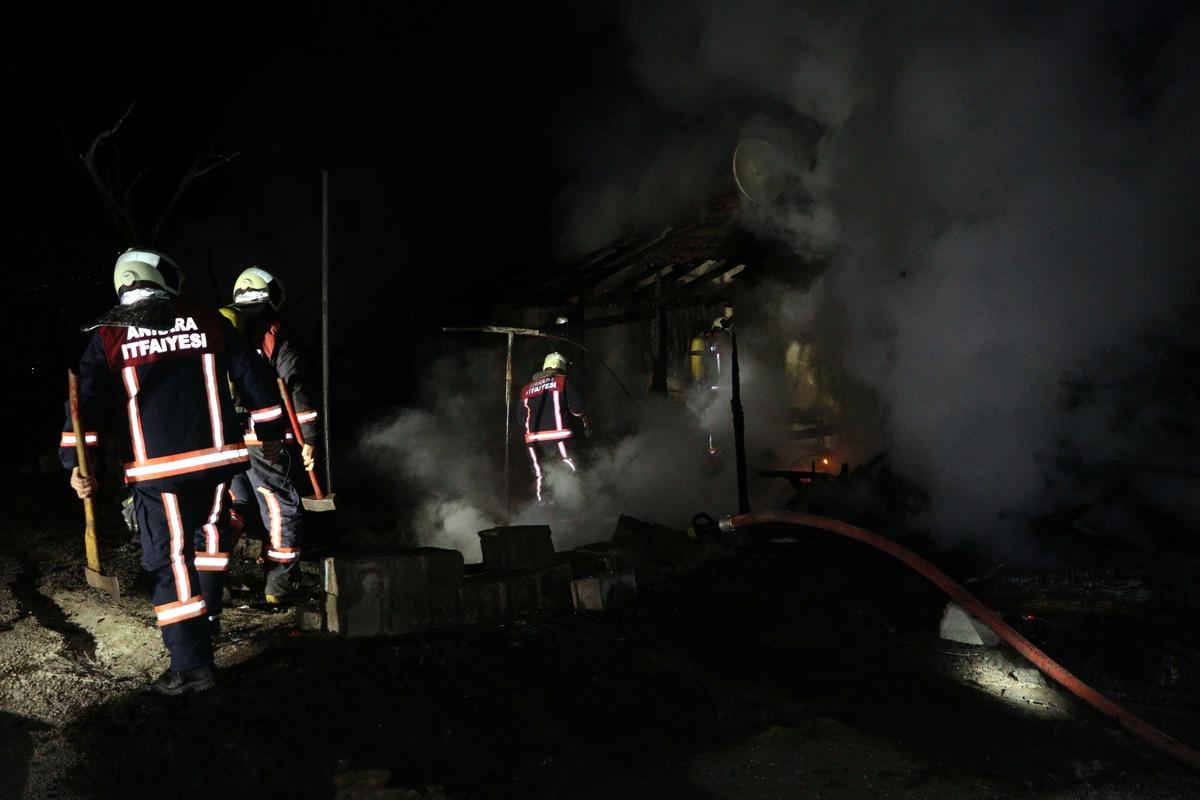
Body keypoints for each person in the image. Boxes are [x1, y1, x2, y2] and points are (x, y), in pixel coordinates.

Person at [62, 249, 285, 695]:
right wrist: (271, 432)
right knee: (210, 541)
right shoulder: (209, 320)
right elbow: (254, 376)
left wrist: (76, 465)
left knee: (169, 561)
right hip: (218, 462)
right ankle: (208, 620)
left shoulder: (109, 335)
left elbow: (82, 406)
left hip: (158, 470)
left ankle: (191, 666)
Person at [226, 266, 321, 603]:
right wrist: (310, 438)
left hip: (225, 436)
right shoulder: (275, 333)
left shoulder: (221, 329)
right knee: (281, 506)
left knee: (235, 504)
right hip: (262, 436)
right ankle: (279, 588)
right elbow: (295, 387)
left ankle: (211, 578)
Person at [520, 352, 588, 503]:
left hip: (532, 441)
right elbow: (578, 409)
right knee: (568, 468)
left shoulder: (526, 389)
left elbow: (520, 418)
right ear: (562, 367)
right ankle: (573, 505)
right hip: (559, 437)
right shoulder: (563, 382)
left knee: (540, 475)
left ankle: (544, 507)